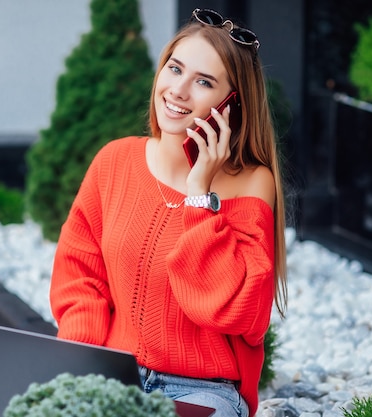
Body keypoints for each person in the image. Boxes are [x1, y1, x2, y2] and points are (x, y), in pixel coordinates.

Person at [50, 8, 288, 417]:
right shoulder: (114, 161)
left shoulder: (252, 183)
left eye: (204, 82)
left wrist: (200, 195)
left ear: (231, 105)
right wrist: (82, 368)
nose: (178, 90)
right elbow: (80, 278)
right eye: (175, 69)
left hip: (201, 391)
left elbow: (239, 312)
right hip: (111, 375)